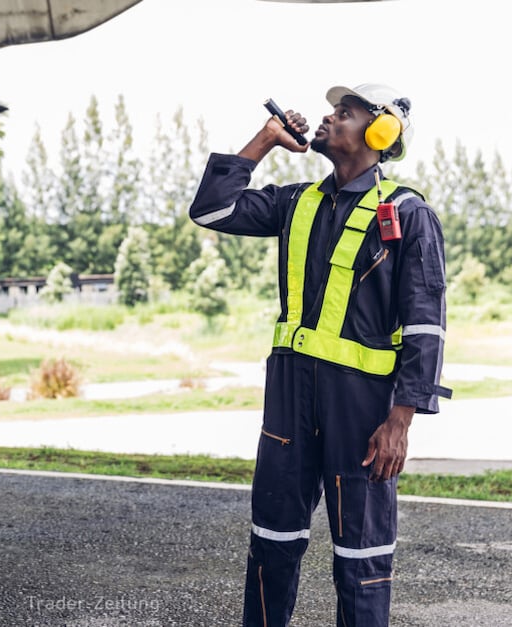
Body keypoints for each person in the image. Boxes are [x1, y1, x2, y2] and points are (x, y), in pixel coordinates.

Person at [188, 83, 449, 626]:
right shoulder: (295, 202)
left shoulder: (407, 213)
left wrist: (400, 422)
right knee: (272, 545)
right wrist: (265, 140)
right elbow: (212, 210)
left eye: (343, 113)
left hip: (362, 412)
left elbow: (426, 324)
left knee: (361, 558)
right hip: (289, 403)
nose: (328, 119)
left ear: (378, 132)